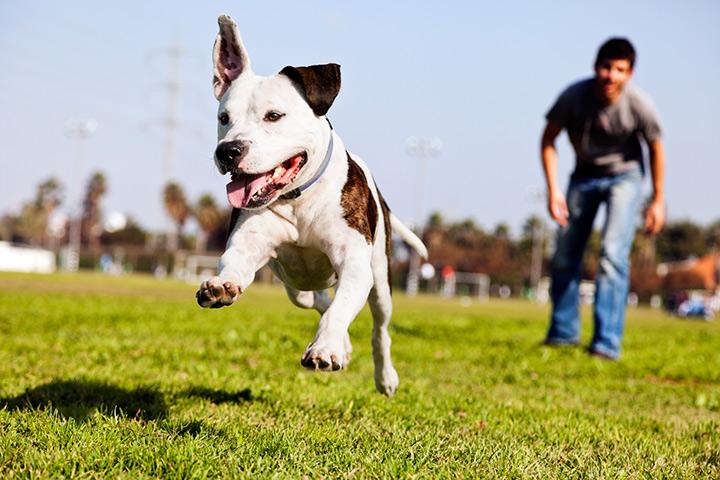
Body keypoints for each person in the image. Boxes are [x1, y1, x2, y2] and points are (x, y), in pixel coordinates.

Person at [540, 38, 665, 359]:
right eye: (606, 67)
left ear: (630, 73)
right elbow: (548, 140)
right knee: (566, 252)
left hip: (625, 178)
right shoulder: (574, 97)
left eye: (620, 70)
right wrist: (553, 190)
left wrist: (657, 199)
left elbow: (655, 148)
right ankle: (563, 334)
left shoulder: (639, 105)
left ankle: (606, 343)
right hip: (583, 175)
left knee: (612, 254)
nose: (611, 75)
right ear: (596, 67)